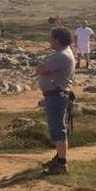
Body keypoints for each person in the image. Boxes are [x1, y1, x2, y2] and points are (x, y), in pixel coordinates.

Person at [36, 27, 76, 175]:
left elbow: (41, 69)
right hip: (57, 94)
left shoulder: (61, 56)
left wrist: (40, 68)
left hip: (56, 95)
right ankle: (59, 158)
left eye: (51, 38)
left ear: (57, 40)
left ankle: (61, 164)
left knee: (58, 129)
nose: (49, 41)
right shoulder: (64, 53)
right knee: (58, 127)